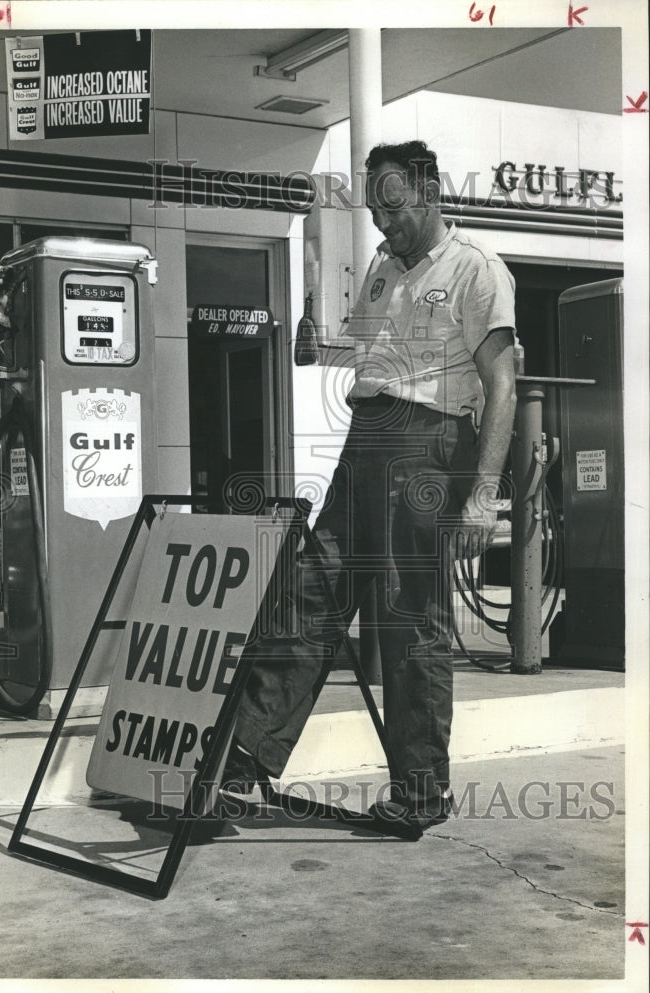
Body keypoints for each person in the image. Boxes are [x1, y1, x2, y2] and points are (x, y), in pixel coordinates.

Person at [222, 140, 518, 838]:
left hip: (426, 445)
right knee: (311, 589)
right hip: (367, 441)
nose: (384, 222)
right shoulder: (383, 272)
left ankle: (420, 791)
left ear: (430, 190)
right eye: (375, 209)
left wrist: (481, 494)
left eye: (394, 206)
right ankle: (241, 763)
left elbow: (502, 384)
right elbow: (368, 362)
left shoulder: (476, 270)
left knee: (405, 618)